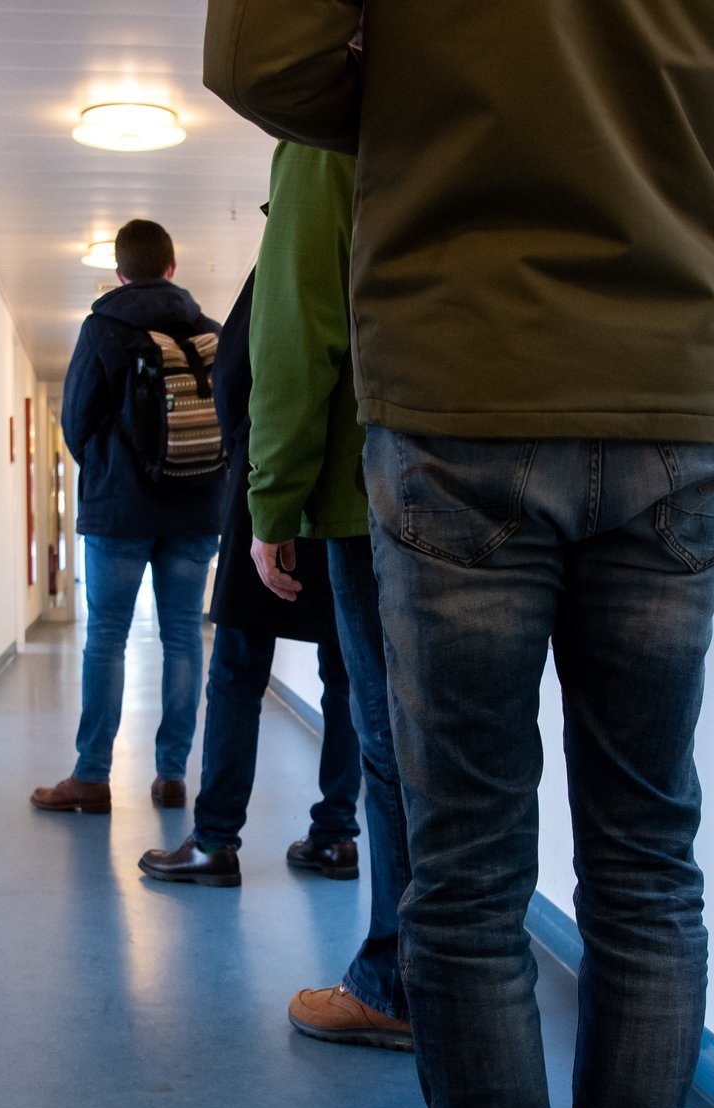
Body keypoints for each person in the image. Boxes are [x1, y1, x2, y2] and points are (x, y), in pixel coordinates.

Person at [206, 3, 714, 1108]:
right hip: (669, 404)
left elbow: (257, 56)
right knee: (647, 862)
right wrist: (700, 291)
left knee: (465, 868)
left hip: (455, 382)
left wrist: (424, 113)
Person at [242, 141, 414, 1053]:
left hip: (373, 485)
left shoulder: (330, 127)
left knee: (394, 748)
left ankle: (396, 982)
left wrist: (274, 497)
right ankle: (463, 974)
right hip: (554, 457)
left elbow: (301, 321)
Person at [138, 271, 367, 888]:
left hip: (273, 482)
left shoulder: (288, 264)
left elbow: (242, 376)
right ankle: (337, 836)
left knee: (238, 668)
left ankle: (214, 842)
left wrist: (266, 489)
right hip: (356, 486)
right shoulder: (379, 250)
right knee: (345, 671)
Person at [32, 219, 224, 815]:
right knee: (184, 639)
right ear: (172, 267)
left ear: (119, 272)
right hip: (196, 507)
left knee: (107, 641)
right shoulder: (211, 331)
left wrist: (110, 468)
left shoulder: (102, 328)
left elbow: (75, 420)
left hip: (119, 511)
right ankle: (171, 776)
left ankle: (91, 777)